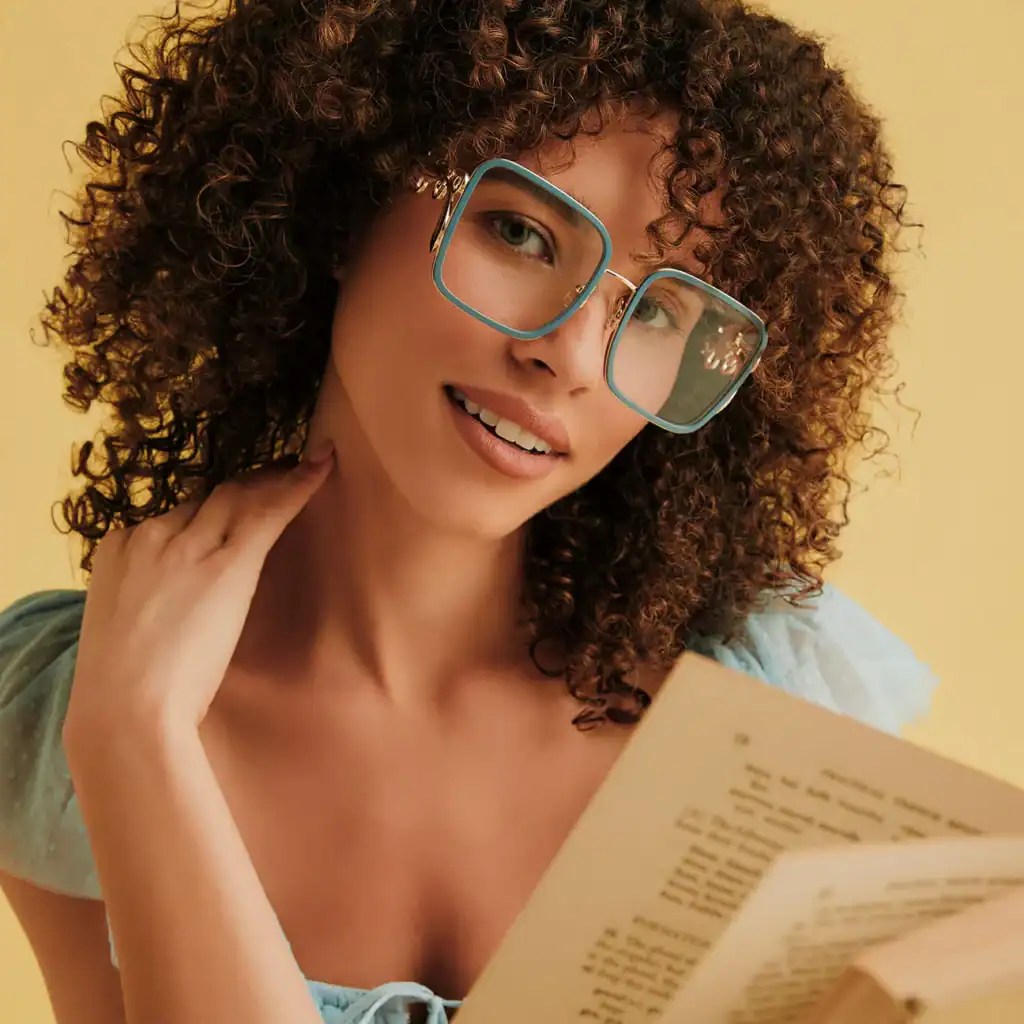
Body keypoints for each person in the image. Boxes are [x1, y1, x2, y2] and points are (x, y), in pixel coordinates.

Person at [0, 1, 937, 1022]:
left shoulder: (762, 707)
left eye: (660, 309)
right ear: (346, 200)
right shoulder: (71, 725)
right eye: (522, 232)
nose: (569, 357)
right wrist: (137, 740)